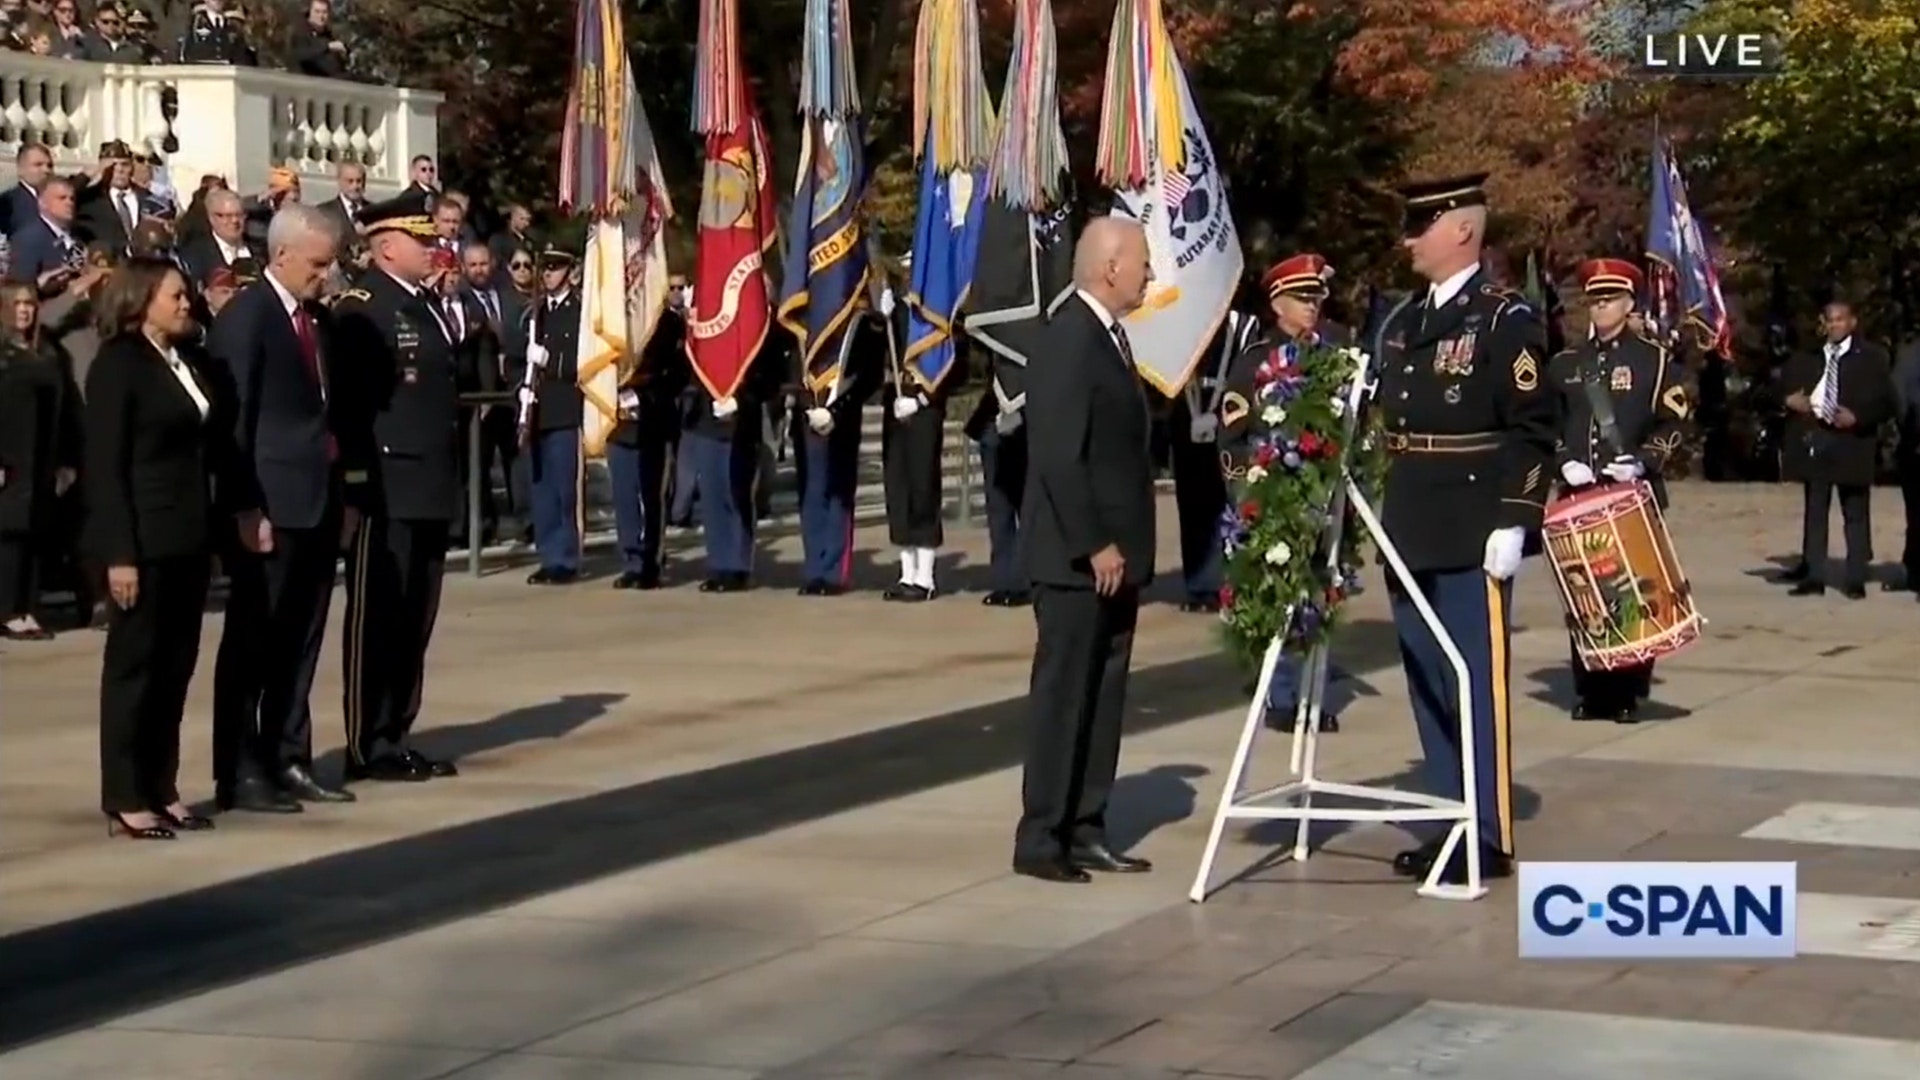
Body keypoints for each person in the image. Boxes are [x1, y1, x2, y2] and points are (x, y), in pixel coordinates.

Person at [1372, 174, 1558, 885]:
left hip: (1473, 520)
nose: (1408, 240)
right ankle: (1451, 817)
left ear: (1461, 230)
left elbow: (1534, 429)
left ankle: (1486, 832)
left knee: (1473, 682)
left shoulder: (1505, 319)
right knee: (1425, 674)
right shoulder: (1403, 321)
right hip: (1411, 518)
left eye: (1420, 226)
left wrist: (1517, 518)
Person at [85, 258, 257, 838]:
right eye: (175, 296)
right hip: (142, 539)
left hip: (186, 534)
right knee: (135, 670)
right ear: (141, 300)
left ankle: (163, 784)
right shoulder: (118, 364)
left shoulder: (184, 360)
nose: (186, 305)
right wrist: (119, 554)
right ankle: (126, 794)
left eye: (187, 295)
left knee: (175, 670)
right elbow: (106, 468)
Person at [1012, 217, 1158, 884]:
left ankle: (1087, 825)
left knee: (1102, 700)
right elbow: (1059, 457)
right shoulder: (1070, 339)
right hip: (1079, 561)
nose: (1150, 275)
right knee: (1065, 699)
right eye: (1144, 264)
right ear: (1110, 268)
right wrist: (1093, 542)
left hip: (1116, 559)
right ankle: (1043, 836)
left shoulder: (1109, 337)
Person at [208, 202, 359, 813]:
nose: (326, 275)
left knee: (301, 637)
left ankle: (288, 753)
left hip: (317, 501)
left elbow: (328, 412)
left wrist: (343, 493)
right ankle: (241, 769)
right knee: (254, 641)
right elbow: (233, 421)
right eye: (318, 264)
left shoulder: (314, 319)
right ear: (283, 255)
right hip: (268, 506)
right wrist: (244, 506)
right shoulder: (249, 319)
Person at [332, 196, 462, 783]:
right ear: (387, 246)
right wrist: (356, 485)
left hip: (429, 481)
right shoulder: (365, 307)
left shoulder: (424, 303)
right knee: (379, 616)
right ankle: (367, 741)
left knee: (415, 616)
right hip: (387, 483)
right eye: (418, 237)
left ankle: (397, 730)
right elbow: (352, 408)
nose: (430, 245)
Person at [1548, 258, 1691, 722]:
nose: (1601, 308)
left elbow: (1677, 421)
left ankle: (1627, 691)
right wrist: (1562, 460)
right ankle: (1590, 689)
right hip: (1579, 494)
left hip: (1628, 493)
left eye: (1609, 299)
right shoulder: (1567, 363)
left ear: (1630, 303)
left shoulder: (1654, 359)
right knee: (1585, 590)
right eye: (1594, 300)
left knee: (1631, 592)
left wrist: (1645, 461)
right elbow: (1541, 423)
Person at [1218, 253, 1345, 732]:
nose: (1312, 306)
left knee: (1318, 597)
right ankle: (1283, 695)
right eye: (1302, 298)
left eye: (1317, 297)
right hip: (1272, 498)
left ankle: (1313, 694)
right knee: (1278, 597)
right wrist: (1246, 495)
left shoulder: (1331, 359)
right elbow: (1231, 438)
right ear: (1277, 305)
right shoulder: (1255, 364)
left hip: (1323, 498)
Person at [1780, 299, 1896, 599]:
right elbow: (1778, 389)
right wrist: (1788, 401)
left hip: (1853, 442)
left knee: (1855, 512)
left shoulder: (1872, 358)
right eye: (1830, 320)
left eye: (1840, 319)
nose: (1834, 325)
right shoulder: (1808, 357)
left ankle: (1855, 576)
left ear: (1852, 322)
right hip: (1816, 439)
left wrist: (1858, 417)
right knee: (1815, 510)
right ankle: (1814, 576)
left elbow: (1887, 402)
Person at [1168, 296, 1260, 614]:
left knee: (1231, 504)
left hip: (1228, 420)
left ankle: (1232, 580)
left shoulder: (1244, 324)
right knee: (1192, 503)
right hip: (1186, 418)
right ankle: (1200, 583)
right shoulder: (1177, 322)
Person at [0, 280, 79, 641]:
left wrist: (66, 458)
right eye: (16, 304)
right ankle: (8, 609)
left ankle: (28, 606)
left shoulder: (46, 350)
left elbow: (66, 407)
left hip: (42, 456)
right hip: (10, 457)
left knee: (34, 532)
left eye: (30, 304)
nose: (25, 310)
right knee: (9, 534)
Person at [606, 293, 688, 590]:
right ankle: (631, 560)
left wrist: (646, 388)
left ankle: (651, 561)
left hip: (654, 416)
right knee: (624, 494)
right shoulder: (609, 314)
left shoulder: (666, 321)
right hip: (618, 417)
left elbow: (679, 371)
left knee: (652, 495)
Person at [795, 310, 879, 597]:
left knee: (838, 492)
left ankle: (833, 571)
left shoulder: (861, 323)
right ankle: (814, 568)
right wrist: (807, 402)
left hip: (840, 418)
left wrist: (836, 410)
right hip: (807, 413)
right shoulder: (799, 316)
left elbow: (869, 375)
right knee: (811, 493)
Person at [518, 245, 584, 585]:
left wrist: (551, 361)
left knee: (563, 489)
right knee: (541, 486)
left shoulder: (580, 311)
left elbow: (584, 361)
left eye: (555, 268)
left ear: (570, 272)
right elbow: (522, 360)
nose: (547, 274)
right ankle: (548, 554)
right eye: (545, 268)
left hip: (564, 409)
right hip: (538, 410)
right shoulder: (536, 312)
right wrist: (523, 386)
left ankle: (566, 557)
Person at [881, 293, 952, 601]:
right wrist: (878, 317)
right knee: (898, 486)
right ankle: (906, 571)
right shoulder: (895, 312)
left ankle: (925, 576)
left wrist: (922, 400)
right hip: (895, 405)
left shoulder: (937, 311)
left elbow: (952, 366)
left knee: (923, 487)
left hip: (924, 409)